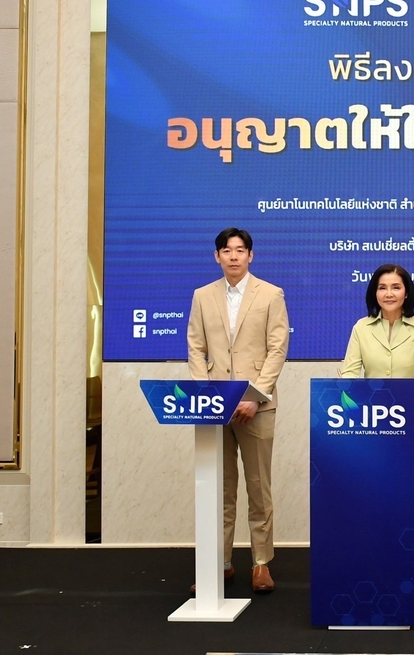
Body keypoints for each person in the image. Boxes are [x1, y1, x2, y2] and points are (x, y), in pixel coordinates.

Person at [186, 228, 289, 593]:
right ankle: (221, 563)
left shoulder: (271, 294)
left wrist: (254, 396)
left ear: (250, 255)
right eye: (227, 251)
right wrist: (208, 397)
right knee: (220, 488)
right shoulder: (202, 296)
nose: (233, 256)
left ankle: (261, 563)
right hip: (215, 408)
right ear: (217, 256)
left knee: (258, 487)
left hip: (256, 407)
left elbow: (277, 349)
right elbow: (195, 348)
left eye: (240, 250)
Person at [340, 264, 414, 392]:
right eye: (382, 288)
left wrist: (413, 393)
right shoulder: (361, 327)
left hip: (407, 402)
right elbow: (350, 372)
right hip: (371, 402)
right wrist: (346, 385)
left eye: (396, 288)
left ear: (406, 293)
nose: (389, 294)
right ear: (375, 293)